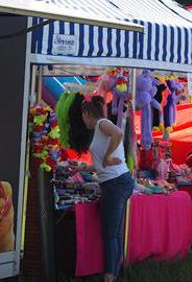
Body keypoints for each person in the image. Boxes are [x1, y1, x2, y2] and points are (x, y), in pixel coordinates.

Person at [80, 96, 133, 282]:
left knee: (110, 233)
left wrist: (109, 157)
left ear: (87, 113)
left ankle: (109, 276)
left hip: (115, 183)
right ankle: (115, 273)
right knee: (114, 232)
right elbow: (102, 163)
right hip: (117, 181)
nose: (82, 120)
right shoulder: (99, 129)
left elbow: (118, 133)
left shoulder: (102, 123)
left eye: (82, 116)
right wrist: (83, 168)